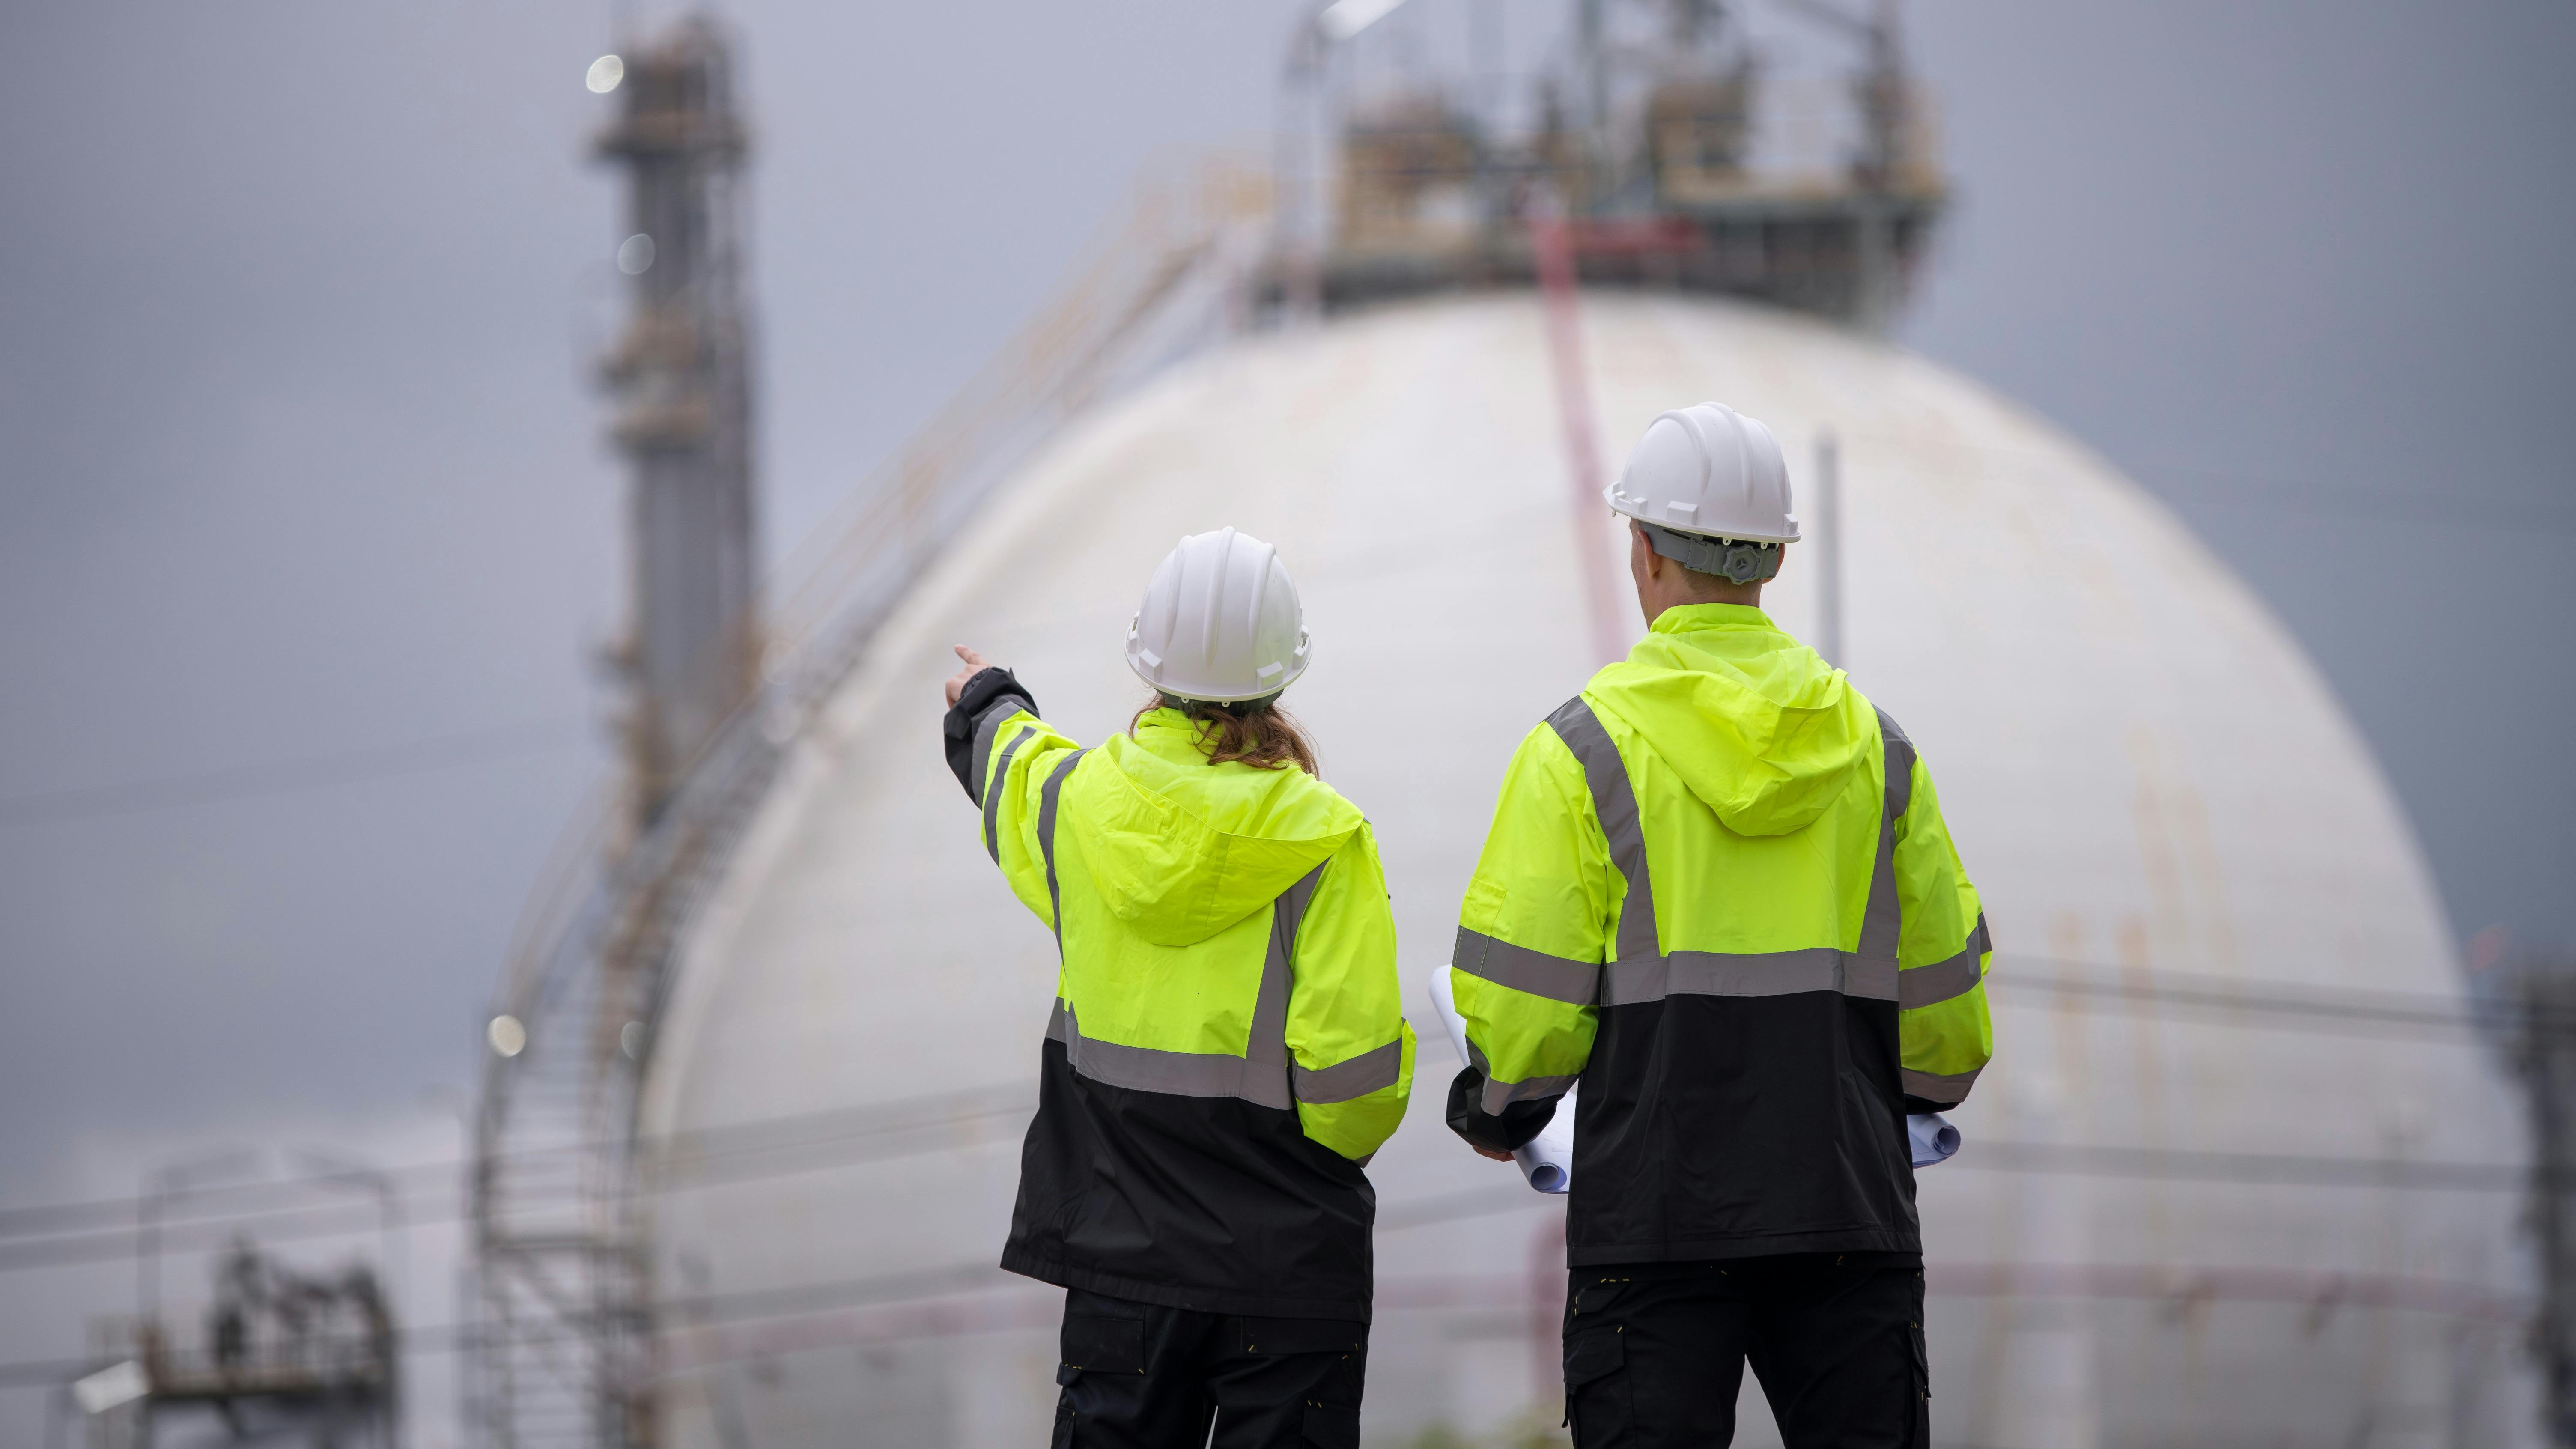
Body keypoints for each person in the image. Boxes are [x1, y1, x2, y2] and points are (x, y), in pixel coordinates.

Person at [1443, 403, 1994, 1448]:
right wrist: (1899, 1100)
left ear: (1642, 551)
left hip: (1651, 1230)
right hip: (1847, 1212)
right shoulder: (1878, 753)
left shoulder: (1581, 751)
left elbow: (1525, 1021)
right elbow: (1946, 1035)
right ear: (1774, 562)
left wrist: (1499, 1111)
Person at [939, 526, 1414, 1449]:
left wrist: (988, 702)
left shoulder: (1078, 807)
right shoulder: (1326, 840)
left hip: (1122, 1269)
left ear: (1147, 665)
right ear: (1282, 674)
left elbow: (1009, 768)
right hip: (1287, 1273)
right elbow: (1354, 1092)